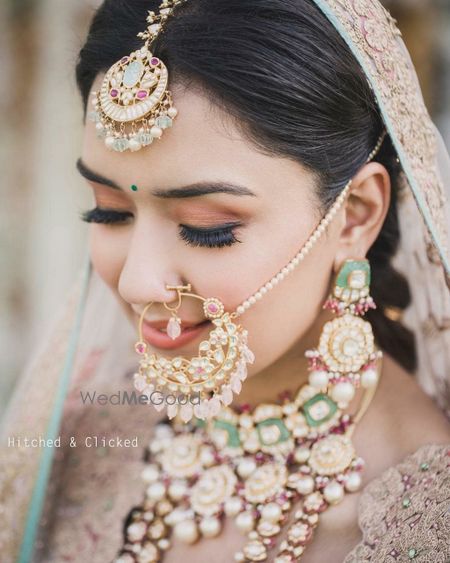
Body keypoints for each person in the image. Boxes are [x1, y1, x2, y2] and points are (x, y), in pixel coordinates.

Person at [1, 0, 449, 562]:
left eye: (206, 230)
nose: (138, 283)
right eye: (109, 212)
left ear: (355, 214)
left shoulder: (426, 523)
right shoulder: (81, 444)